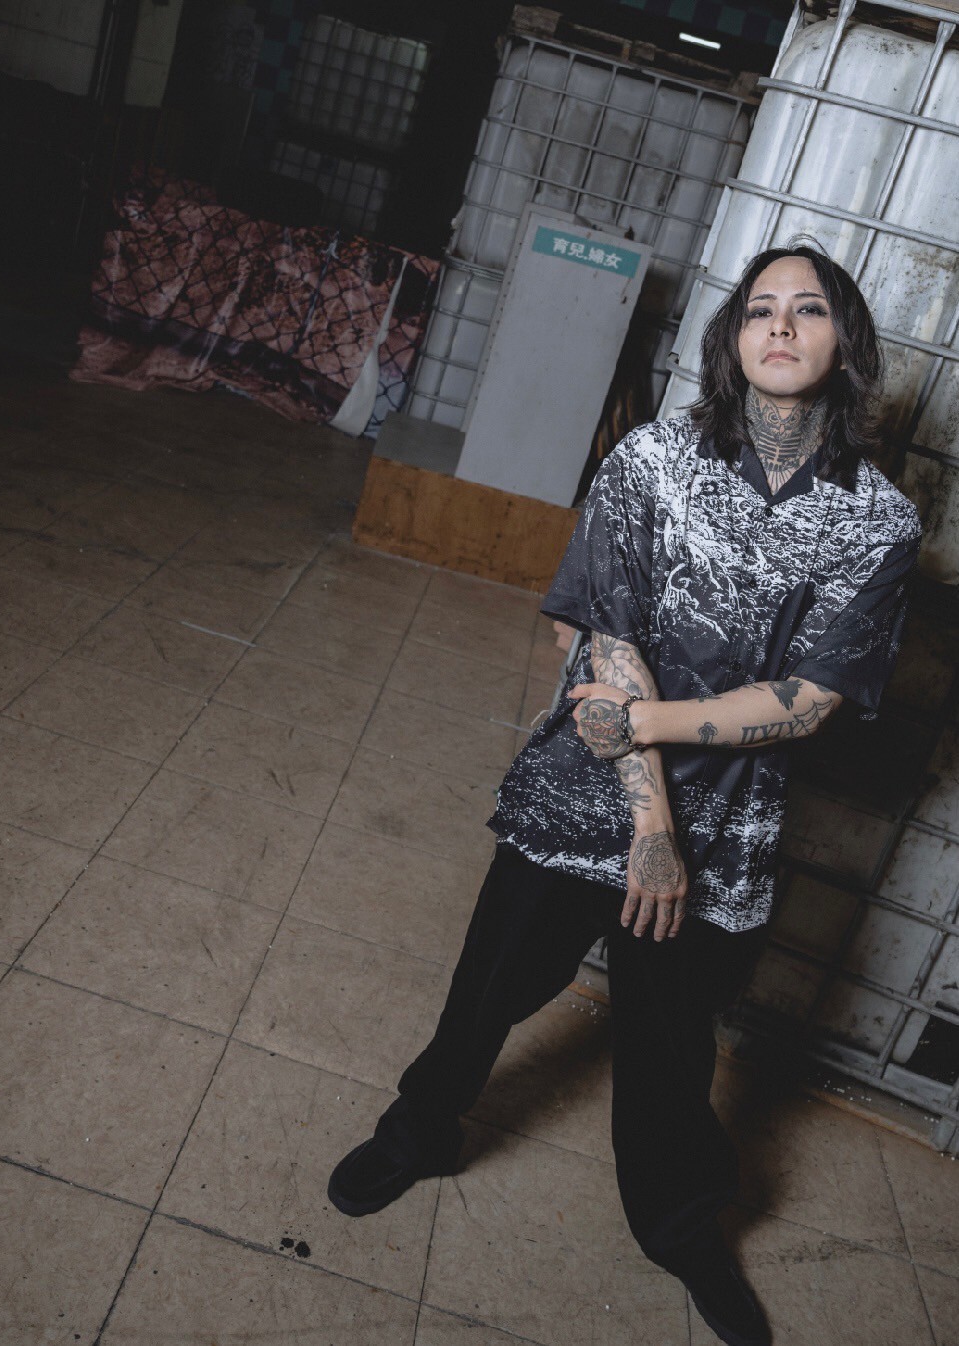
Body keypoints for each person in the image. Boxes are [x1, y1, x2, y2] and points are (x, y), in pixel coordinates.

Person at [326, 243, 922, 1346]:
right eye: (757, 308)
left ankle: (679, 1223)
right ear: (730, 338)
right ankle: (419, 1130)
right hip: (584, 791)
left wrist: (649, 738)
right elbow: (607, 645)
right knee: (491, 983)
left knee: (669, 1041)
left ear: (844, 344)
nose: (778, 325)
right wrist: (650, 824)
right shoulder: (651, 459)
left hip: (726, 819)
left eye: (807, 310)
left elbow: (807, 702)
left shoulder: (877, 522)